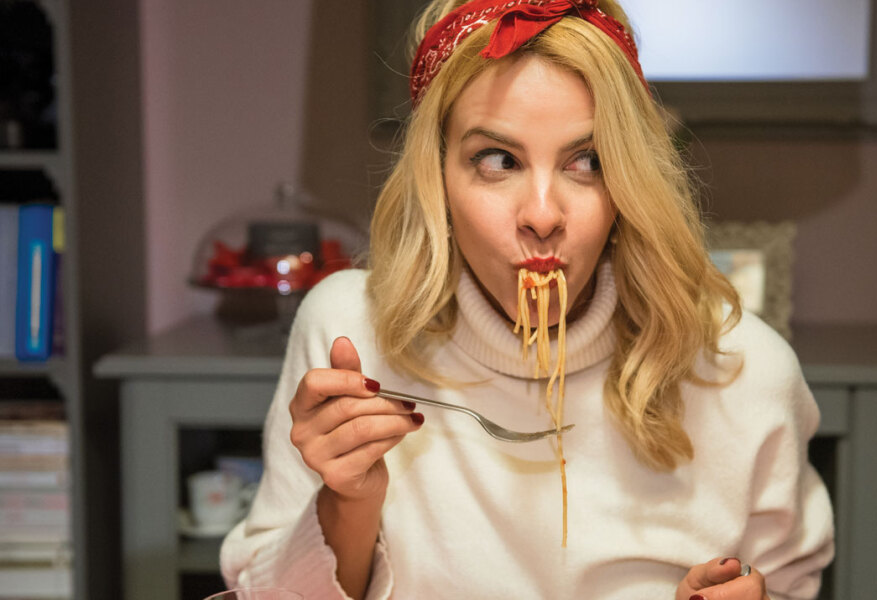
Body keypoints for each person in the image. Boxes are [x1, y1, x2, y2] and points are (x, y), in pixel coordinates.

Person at [220, 1, 835, 598]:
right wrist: (348, 502)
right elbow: (265, 594)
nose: (542, 215)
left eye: (587, 161)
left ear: (629, 180)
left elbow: (786, 585)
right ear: (437, 177)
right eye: (498, 160)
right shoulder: (351, 332)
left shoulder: (744, 370)